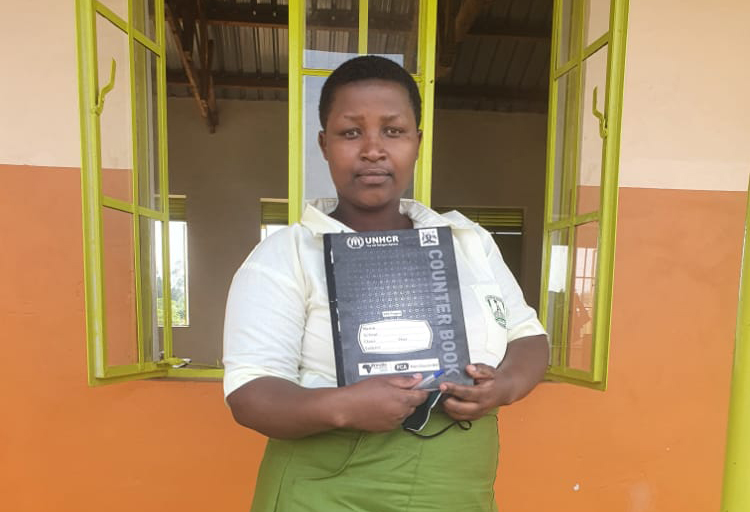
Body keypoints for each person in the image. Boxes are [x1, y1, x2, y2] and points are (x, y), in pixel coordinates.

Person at [223, 55, 549, 512]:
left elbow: (528, 337)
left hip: (455, 486)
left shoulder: (468, 241)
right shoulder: (286, 256)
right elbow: (250, 393)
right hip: (325, 489)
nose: (373, 149)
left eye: (393, 131)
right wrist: (342, 407)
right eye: (351, 132)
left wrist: (505, 385)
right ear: (323, 144)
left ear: (418, 140)